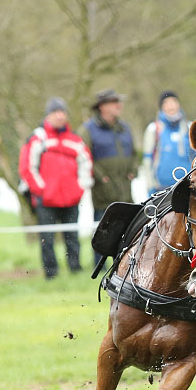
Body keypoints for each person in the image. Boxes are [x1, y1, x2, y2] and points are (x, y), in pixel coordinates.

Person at [20, 97, 93, 278]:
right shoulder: (38, 138)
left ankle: (75, 270)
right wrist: (41, 190)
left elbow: (86, 164)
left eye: (62, 112)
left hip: (71, 199)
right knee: (47, 239)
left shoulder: (75, 139)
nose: (60, 116)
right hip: (46, 200)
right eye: (55, 113)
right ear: (48, 116)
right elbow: (27, 167)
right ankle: (51, 274)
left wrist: (80, 188)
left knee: (72, 238)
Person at [80, 89, 137, 264]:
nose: (118, 106)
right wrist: (100, 176)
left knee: (127, 227)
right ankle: (99, 264)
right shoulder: (88, 129)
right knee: (102, 228)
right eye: (114, 102)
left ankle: (123, 264)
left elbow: (134, 154)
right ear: (102, 107)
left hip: (125, 188)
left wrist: (133, 170)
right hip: (103, 190)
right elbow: (84, 156)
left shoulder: (124, 128)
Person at [142, 91, 196, 195]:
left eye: (174, 102)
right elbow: (147, 160)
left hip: (187, 186)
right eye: (166, 103)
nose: (171, 106)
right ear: (162, 107)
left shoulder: (189, 128)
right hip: (161, 189)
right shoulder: (154, 129)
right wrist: (150, 186)